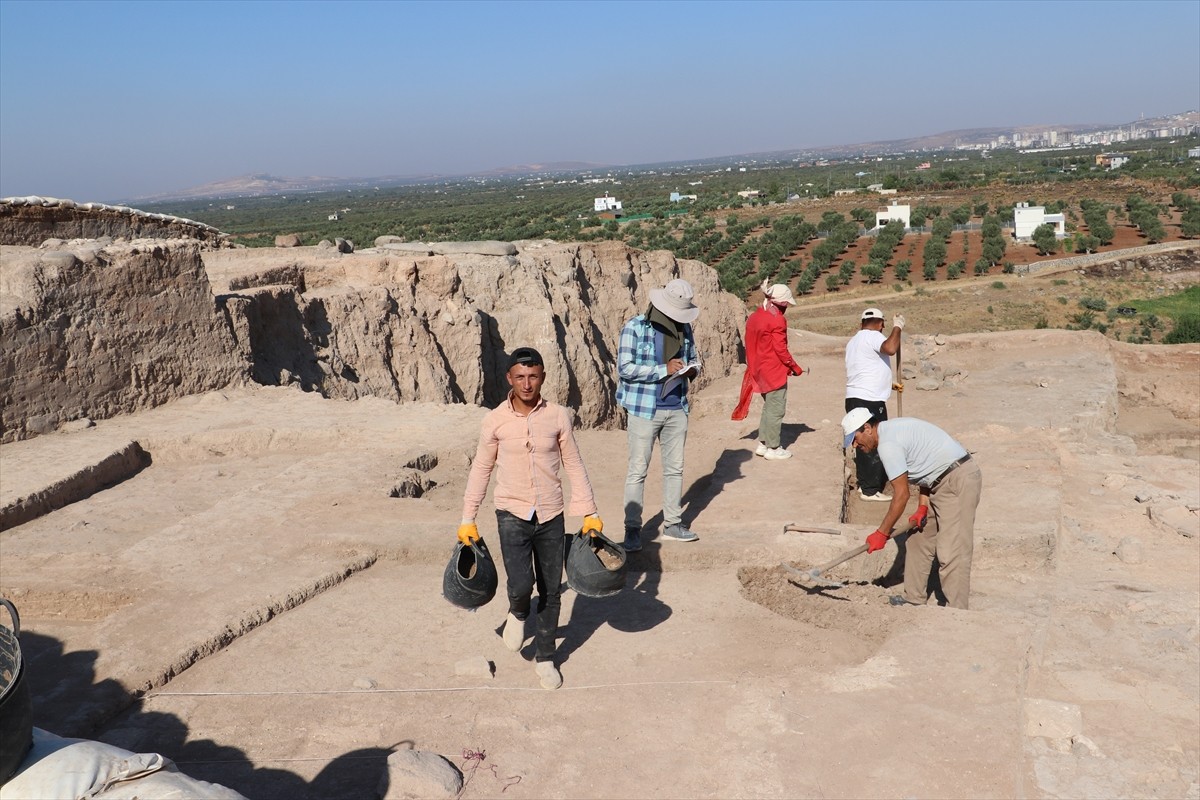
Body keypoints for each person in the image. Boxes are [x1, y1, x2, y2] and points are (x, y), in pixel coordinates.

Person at [458, 346, 603, 690]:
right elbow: (481, 468)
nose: (527, 384)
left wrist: (590, 512)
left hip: (551, 513)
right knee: (522, 584)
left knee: (552, 590)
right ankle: (519, 611)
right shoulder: (495, 420)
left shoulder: (557, 417)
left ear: (543, 378)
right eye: (520, 377)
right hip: (511, 512)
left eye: (533, 376)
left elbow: (574, 464)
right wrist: (468, 517)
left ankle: (547, 657)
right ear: (509, 378)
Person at [840, 408, 982, 609]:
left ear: (867, 428)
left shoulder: (888, 445)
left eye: (855, 439)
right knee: (918, 539)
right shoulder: (890, 431)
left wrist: (882, 532)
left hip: (957, 481)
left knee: (952, 550)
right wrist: (923, 507)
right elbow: (927, 464)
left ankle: (956, 614)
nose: (855, 445)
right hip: (939, 482)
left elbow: (902, 495)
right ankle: (913, 598)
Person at [616, 278, 702, 552]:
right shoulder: (635, 327)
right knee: (637, 470)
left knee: (674, 469)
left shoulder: (684, 329)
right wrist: (662, 370)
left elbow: (694, 357)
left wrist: (691, 369)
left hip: (676, 406)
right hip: (644, 408)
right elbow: (625, 368)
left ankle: (673, 524)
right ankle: (632, 530)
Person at [732, 280, 805, 460]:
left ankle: (763, 443)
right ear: (781, 302)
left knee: (769, 407)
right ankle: (773, 447)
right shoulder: (777, 320)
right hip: (773, 371)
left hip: (758, 369)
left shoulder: (755, 316)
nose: (787, 305)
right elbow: (781, 349)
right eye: (786, 302)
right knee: (776, 409)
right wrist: (794, 367)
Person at [844, 307, 904, 501]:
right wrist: (898, 327)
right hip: (869, 399)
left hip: (856, 397)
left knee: (862, 441)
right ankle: (870, 490)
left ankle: (866, 486)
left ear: (861, 323)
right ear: (881, 324)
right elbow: (891, 348)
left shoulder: (854, 341)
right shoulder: (873, 336)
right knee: (873, 440)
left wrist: (889, 384)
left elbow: (866, 368)